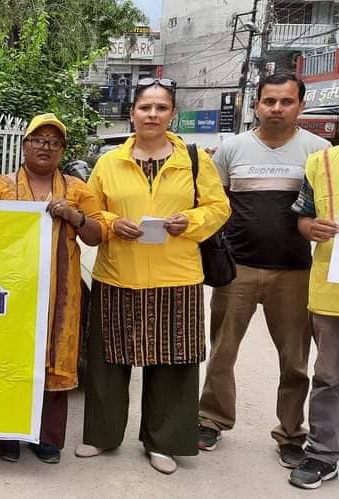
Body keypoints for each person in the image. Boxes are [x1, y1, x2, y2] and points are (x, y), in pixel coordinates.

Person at [76, 78, 230, 474]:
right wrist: (113, 223)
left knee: (174, 362)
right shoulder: (109, 162)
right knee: (108, 362)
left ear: (172, 114)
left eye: (161, 108)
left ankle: (163, 442)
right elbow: (91, 210)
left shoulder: (194, 160)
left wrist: (190, 221)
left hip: (176, 276)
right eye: (145, 107)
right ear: (132, 114)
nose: (152, 114)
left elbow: (218, 208)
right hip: (118, 273)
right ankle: (101, 435)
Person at [198, 73, 329, 467]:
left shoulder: (319, 152)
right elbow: (214, 205)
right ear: (255, 104)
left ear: (300, 106)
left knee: (295, 360)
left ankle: (290, 433)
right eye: (269, 101)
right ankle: (211, 420)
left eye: (286, 101)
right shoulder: (230, 149)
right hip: (236, 268)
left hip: (295, 272)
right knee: (222, 352)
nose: (276, 108)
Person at [0, 114, 103, 464]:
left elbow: (98, 233)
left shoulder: (76, 190)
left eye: (53, 142)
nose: (45, 147)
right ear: (24, 145)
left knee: (54, 358)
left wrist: (75, 216)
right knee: (7, 357)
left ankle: (47, 438)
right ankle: (7, 435)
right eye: (38, 140)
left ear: (62, 149)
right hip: (10, 291)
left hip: (59, 293)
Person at [288, 146, 339, 490]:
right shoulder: (323, 162)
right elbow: (303, 216)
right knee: (329, 377)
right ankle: (323, 453)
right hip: (332, 290)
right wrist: (310, 228)